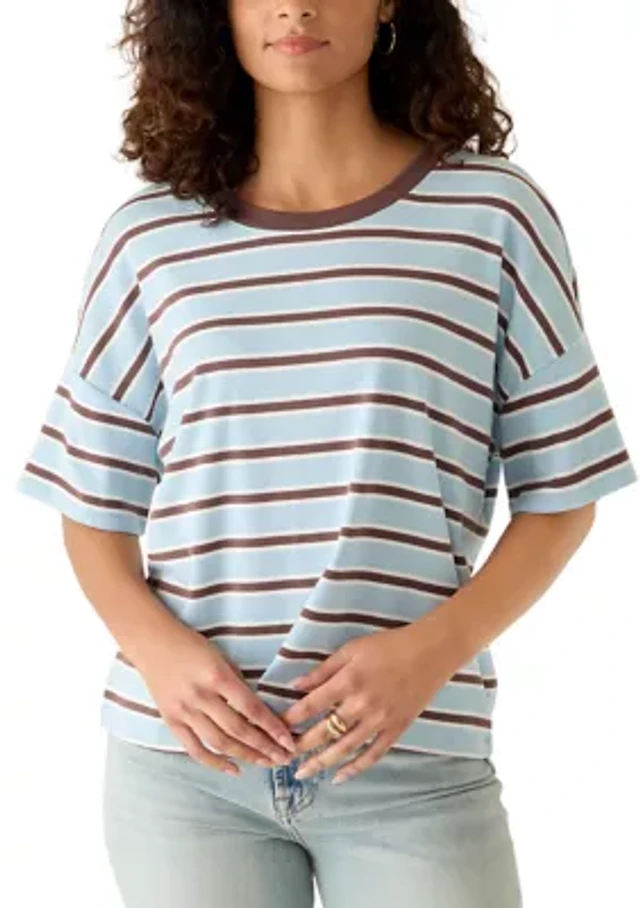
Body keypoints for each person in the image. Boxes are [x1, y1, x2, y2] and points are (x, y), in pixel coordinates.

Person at [15, 1, 637, 906]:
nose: (295, 6)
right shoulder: (149, 238)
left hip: (411, 755)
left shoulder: (495, 214)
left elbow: (564, 492)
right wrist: (160, 655)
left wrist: (433, 652)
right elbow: (92, 507)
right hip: (185, 768)